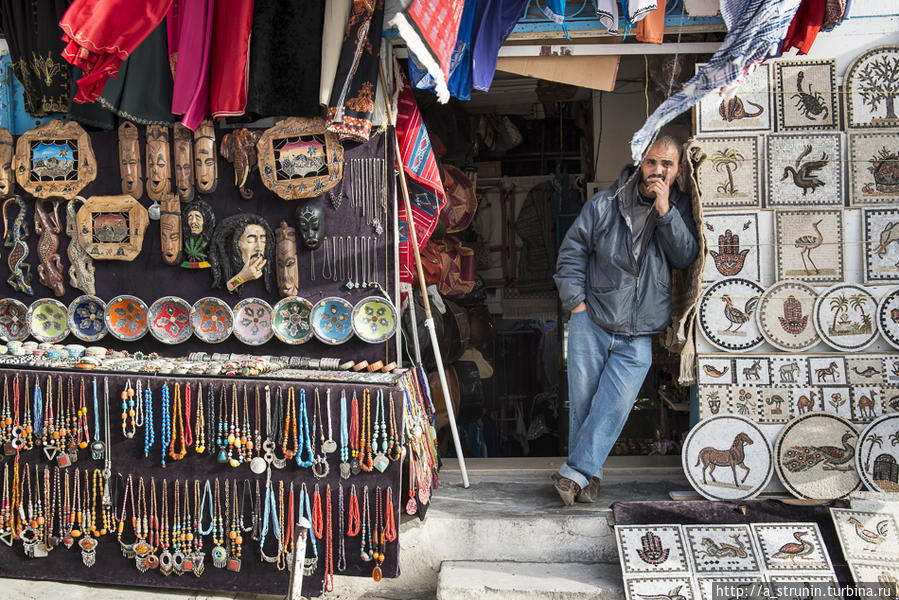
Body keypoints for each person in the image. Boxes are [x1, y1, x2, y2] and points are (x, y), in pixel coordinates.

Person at [552, 135, 698, 505]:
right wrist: (576, 303)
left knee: (614, 405)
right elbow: (572, 251)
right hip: (593, 320)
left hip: (640, 333)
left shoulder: (678, 210)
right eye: (652, 163)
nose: (658, 172)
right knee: (583, 405)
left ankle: (574, 472)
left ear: (678, 170)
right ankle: (586, 479)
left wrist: (666, 211)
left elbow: (684, 256)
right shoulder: (605, 205)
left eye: (667, 165)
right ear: (640, 163)